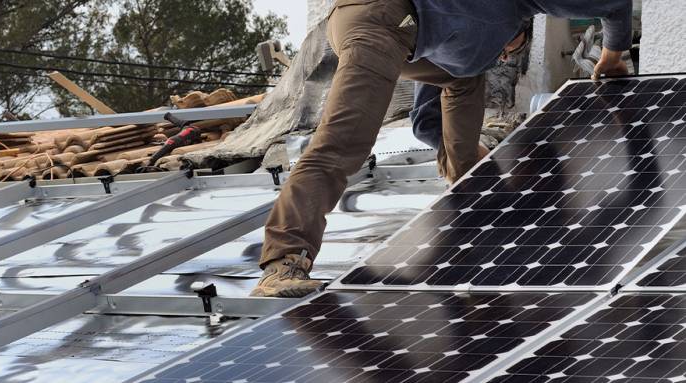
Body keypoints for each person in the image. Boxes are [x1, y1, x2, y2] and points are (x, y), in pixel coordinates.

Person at [250, 0, 633, 298]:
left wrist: (476, 168)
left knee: (463, 79)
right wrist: (611, 57)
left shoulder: (465, 48)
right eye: (513, 48)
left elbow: (426, 123)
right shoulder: (518, 7)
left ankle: (471, 194)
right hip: (384, 20)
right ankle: (284, 263)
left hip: (404, 32)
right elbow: (614, 5)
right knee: (341, 147)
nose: (506, 57)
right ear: (519, 30)